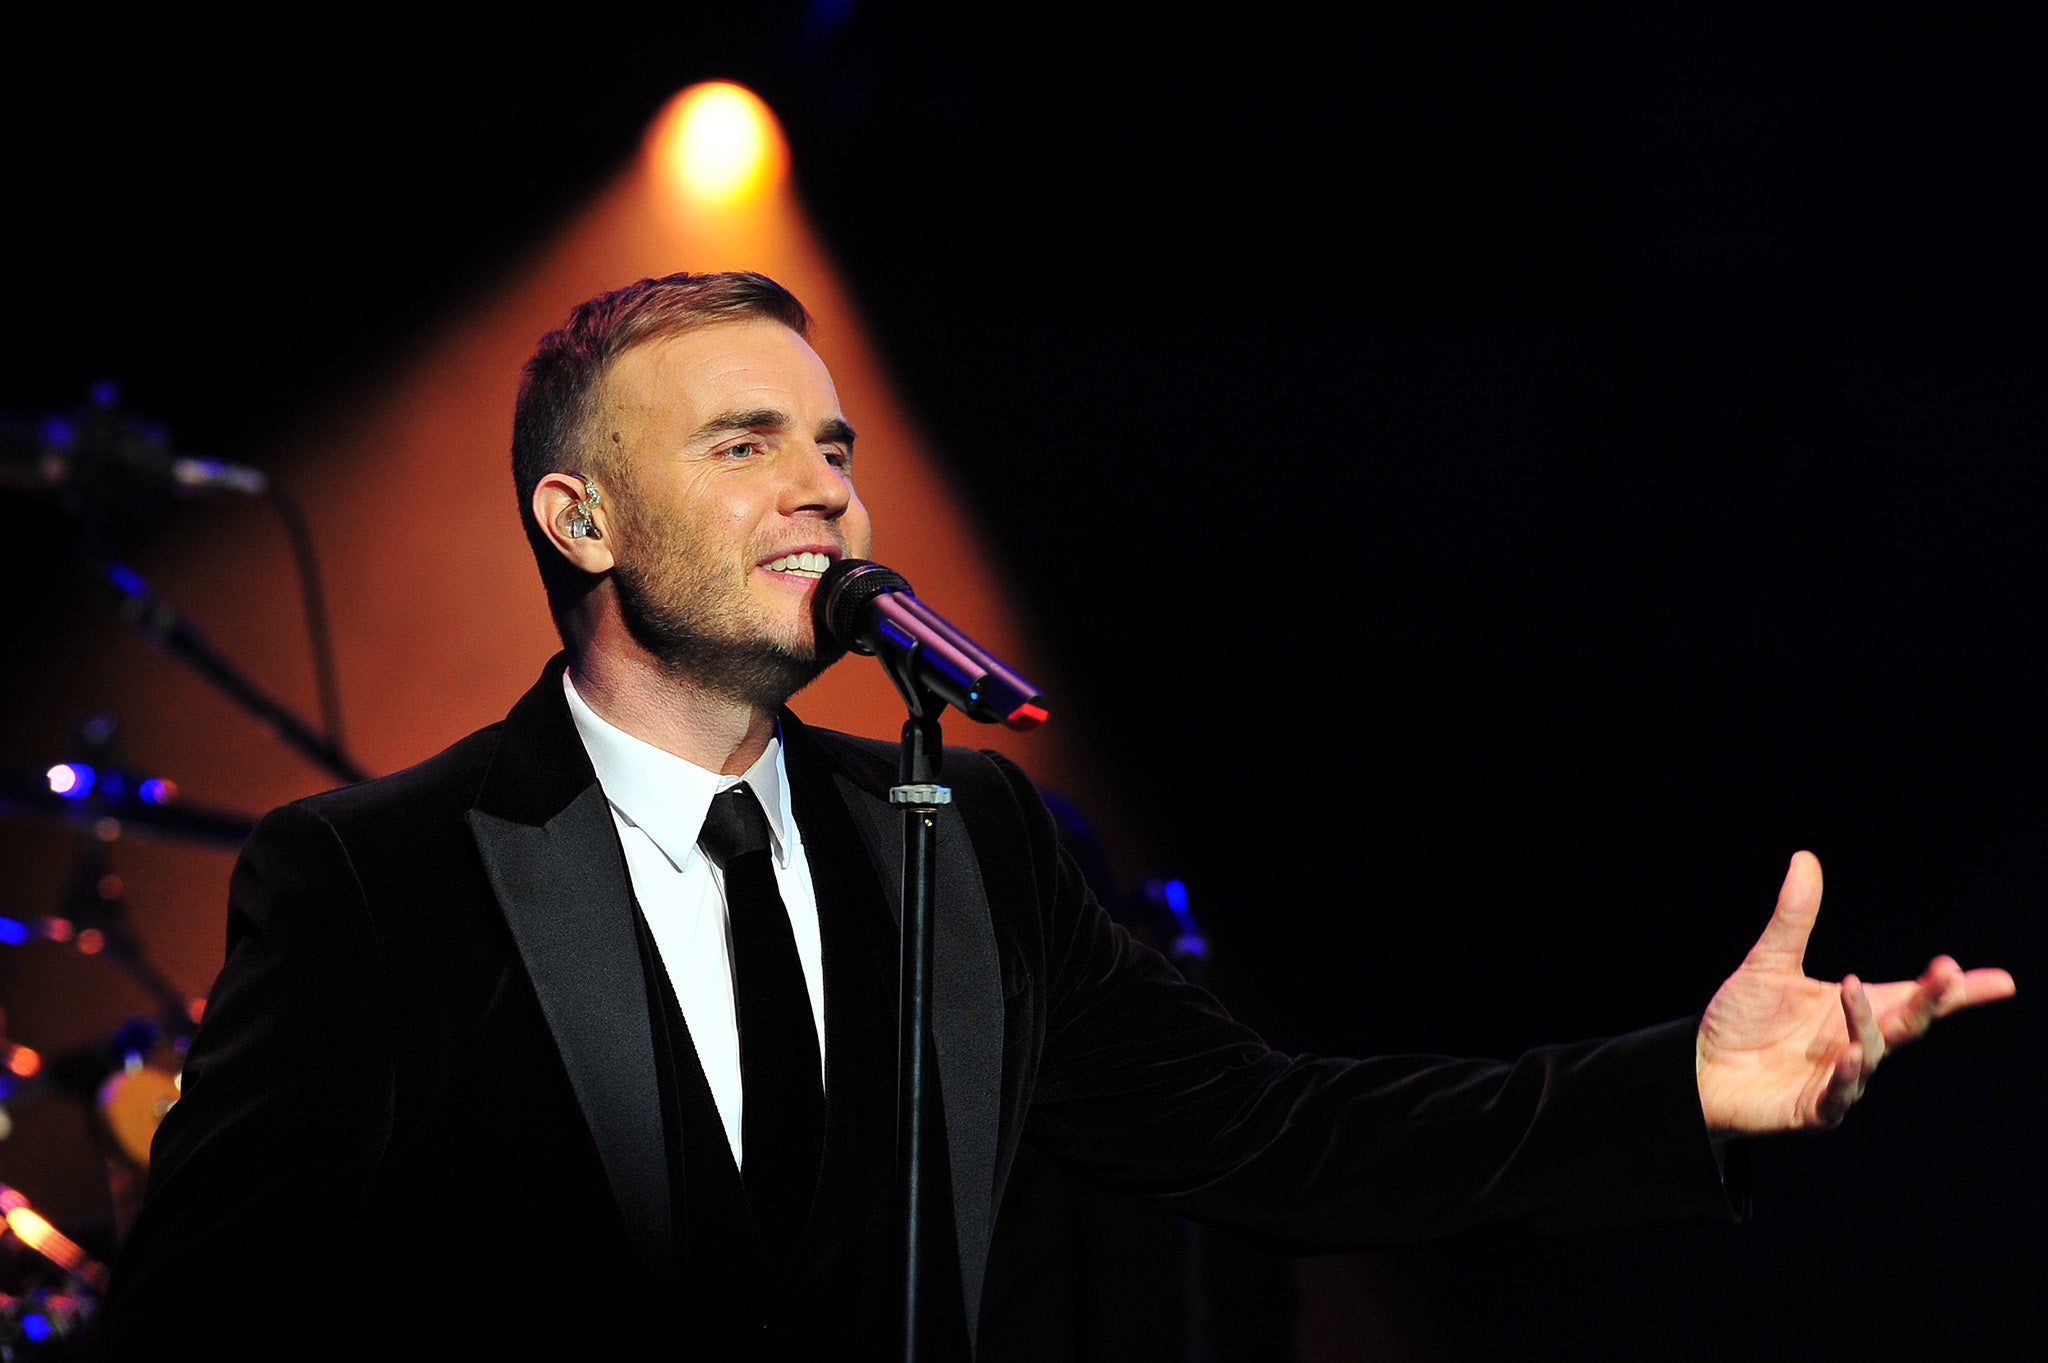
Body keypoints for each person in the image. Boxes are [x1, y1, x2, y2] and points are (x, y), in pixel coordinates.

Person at [91, 272, 2015, 1361]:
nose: (823, 489)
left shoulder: (962, 840)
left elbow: (1285, 1136)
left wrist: (1673, 1084)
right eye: (742, 444)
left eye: (834, 445)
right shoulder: (378, 880)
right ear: (576, 519)